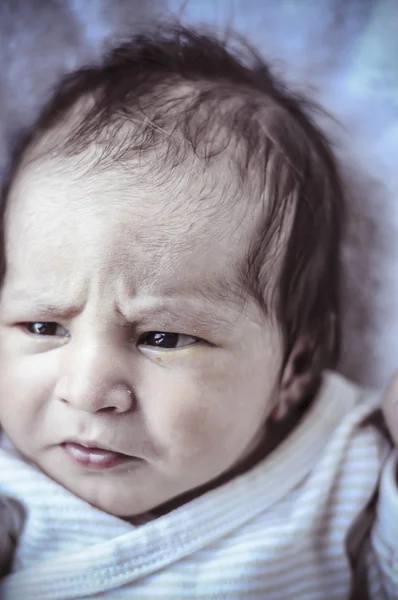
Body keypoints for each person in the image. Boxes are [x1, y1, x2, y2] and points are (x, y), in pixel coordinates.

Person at [0, 24, 396, 600]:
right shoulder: (14, 483)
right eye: (42, 326)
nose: (87, 391)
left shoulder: (337, 473)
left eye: (162, 338)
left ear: (296, 367)